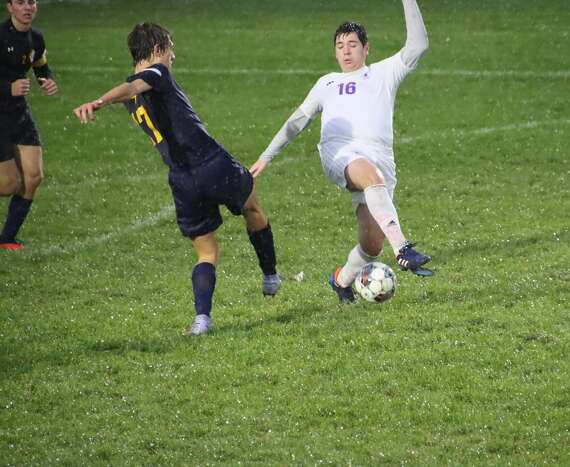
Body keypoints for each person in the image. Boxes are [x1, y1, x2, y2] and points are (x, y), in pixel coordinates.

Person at [74, 23, 281, 335]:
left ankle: (202, 321)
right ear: (157, 50)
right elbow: (133, 85)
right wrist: (100, 102)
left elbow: (130, 89)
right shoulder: (157, 73)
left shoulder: (134, 99)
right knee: (253, 208)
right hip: (212, 164)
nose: (174, 55)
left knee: (207, 252)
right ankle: (270, 275)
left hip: (182, 179)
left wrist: (106, 101)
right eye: (170, 48)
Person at [250, 0, 431, 303]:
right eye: (340, 45)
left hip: (380, 159)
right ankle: (403, 249)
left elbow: (419, 45)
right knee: (368, 175)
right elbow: (297, 122)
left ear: (366, 49)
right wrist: (266, 156)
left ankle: (341, 280)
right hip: (340, 155)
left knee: (372, 244)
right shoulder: (327, 83)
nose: (345, 51)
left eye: (352, 44)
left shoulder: (383, 74)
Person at [0, 0, 58, 250]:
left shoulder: (36, 37)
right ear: (9, 7)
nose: (28, 7)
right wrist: (8, 88)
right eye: (21, 2)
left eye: (32, 2)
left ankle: (7, 239)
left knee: (33, 177)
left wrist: (47, 80)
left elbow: (40, 65)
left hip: (19, 114)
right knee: (9, 185)